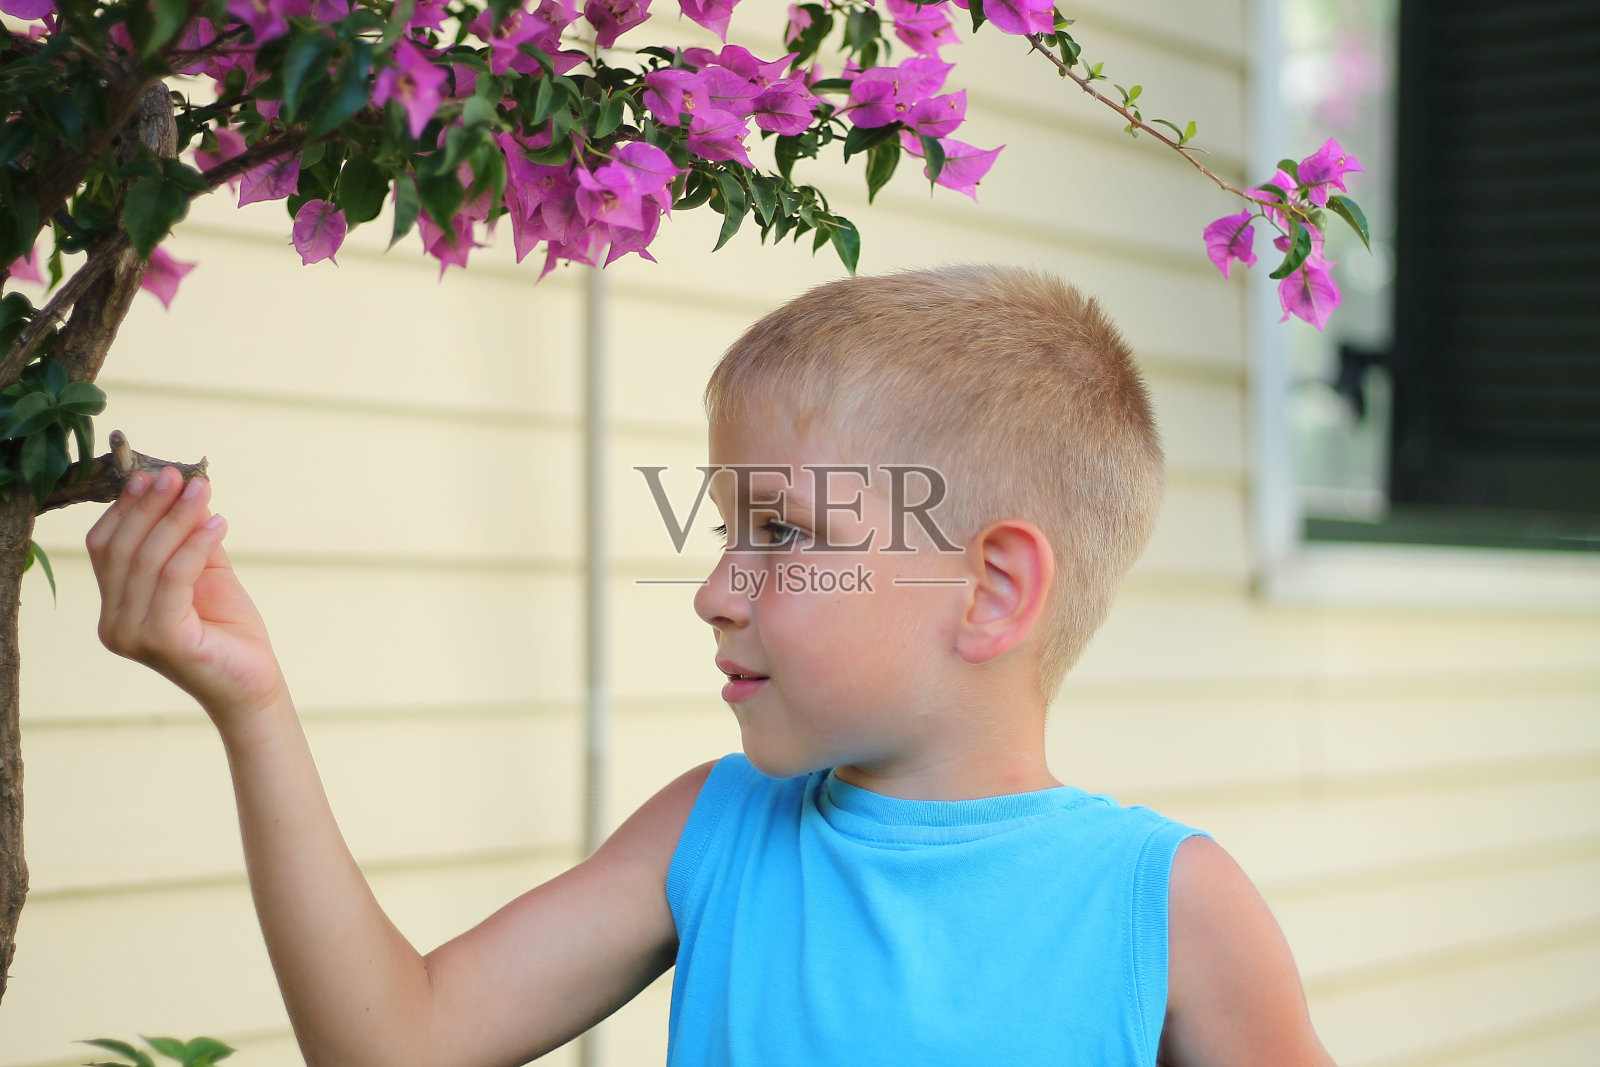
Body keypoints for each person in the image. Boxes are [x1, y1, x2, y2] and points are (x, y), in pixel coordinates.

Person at [88, 265, 1334, 1066]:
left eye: (780, 535)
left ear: (992, 589)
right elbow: (390, 1044)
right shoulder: (712, 829)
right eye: (726, 531)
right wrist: (250, 700)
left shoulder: (1168, 904)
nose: (713, 587)